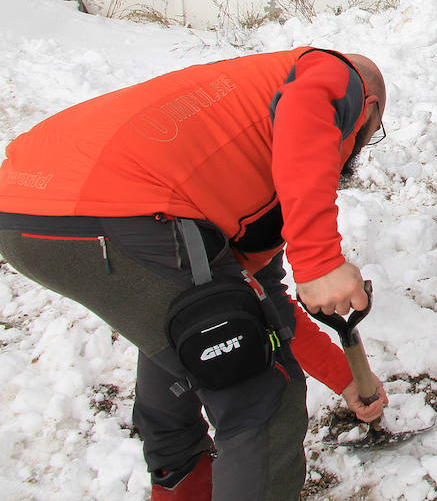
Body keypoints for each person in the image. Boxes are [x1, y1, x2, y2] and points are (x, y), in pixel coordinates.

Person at [0, 48, 390, 501]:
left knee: (198, 333)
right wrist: (319, 259)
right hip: (111, 209)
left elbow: (265, 301)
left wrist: (344, 376)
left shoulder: (239, 172)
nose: (358, 145)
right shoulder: (334, 73)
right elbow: (310, 106)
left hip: (23, 209)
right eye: (371, 133)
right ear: (369, 108)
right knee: (263, 398)